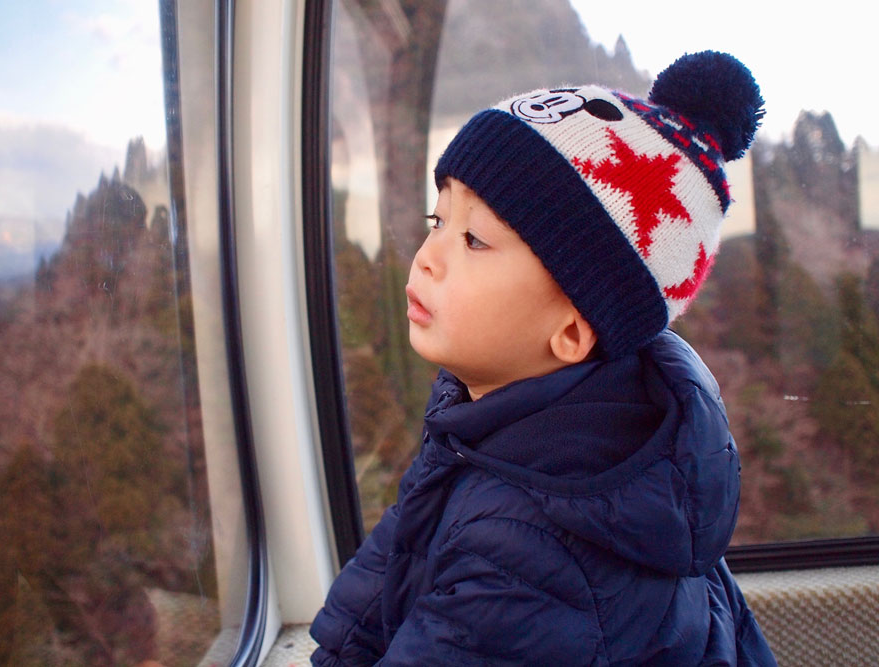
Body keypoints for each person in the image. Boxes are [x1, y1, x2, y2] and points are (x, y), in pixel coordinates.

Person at [310, 51, 777, 665]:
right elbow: (384, 585)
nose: (427, 255)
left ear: (572, 332)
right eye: (438, 218)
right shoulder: (484, 423)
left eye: (475, 239)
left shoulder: (532, 556)